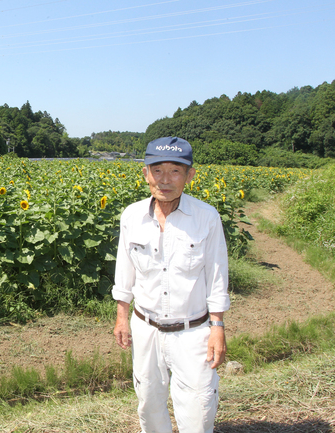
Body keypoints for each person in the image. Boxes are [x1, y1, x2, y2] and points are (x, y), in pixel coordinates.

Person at [112, 137, 230, 433]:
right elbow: (124, 270)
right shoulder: (132, 216)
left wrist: (218, 328)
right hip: (146, 328)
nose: (165, 180)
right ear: (145, 174)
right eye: (157, 170)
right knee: (149, 408)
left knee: (199, 414)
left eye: (175, 171)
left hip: (193, 332)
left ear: (190, 175)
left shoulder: (206, 217)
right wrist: (121, 317)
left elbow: (217, 276)